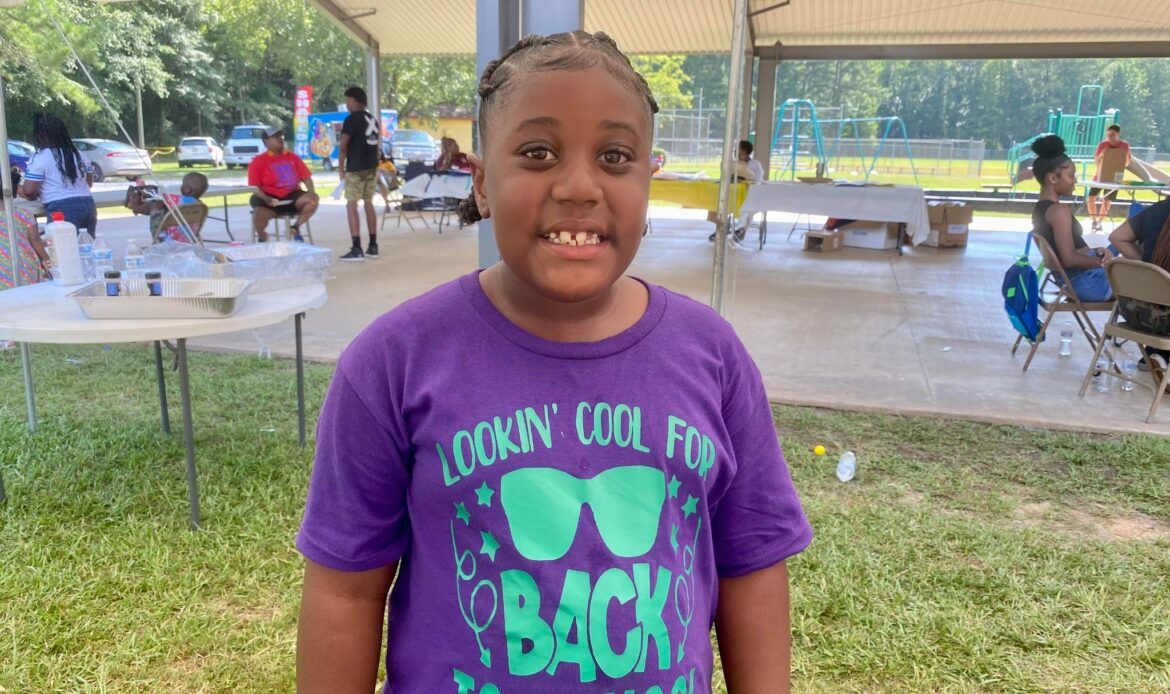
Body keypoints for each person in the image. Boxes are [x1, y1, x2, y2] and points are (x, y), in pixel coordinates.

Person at [295, 31, 812, 694]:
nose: (577, 186)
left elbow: (754, 568)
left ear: (648, 180)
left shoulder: (713, 357)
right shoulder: (392, 363)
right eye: (537, 152)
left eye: (614, 156)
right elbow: (345, 593)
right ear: (483, 183)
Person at [1030, 135, 1112, 302]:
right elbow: (1069, 259)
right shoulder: (1059, 211)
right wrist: (1104, 262)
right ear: (1053, 178)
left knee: (1119, 245)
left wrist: (1096, 252)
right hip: (1087, 283)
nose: (1075, 180)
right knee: (1144, 284)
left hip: (1073, 281)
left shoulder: (1040, 209)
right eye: (1071, 175)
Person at [1109, 199, 1170, 371]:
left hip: (1134, 313)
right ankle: (1162, 358)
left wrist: (1148, 267)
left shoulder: (1160, 208)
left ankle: (1154, 355)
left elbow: (1117, 237)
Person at [17, 113, 97, 235]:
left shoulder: (41, 158)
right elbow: (89, 183)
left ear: (40, 136)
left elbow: (29, 192)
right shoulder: (79, 154)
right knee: (86, 243)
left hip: (61, 207)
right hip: (88, 204)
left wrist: (16, 187)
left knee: (62, 245)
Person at [247, 127, 319, 242]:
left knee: (313, 199)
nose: (280, 138)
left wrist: (311, 192)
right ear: (266, 141)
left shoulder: (293, 157)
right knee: (259, 213)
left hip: (292, 195)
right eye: (275, 137)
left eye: (281, 136)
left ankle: (295, 227)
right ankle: (262, 236)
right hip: (268, 197)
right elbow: (254, 187)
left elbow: (307, 177)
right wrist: (266, 198)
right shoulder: (259, 161)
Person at [338, 86, 381, 261]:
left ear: (355, 101)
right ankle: (373, 245)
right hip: (372, 166)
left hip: (356, 167)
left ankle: (356, 248)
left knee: (351, 205)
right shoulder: (372, 119)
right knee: (368, 203)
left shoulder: (352, 119)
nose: (347, 104)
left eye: (348, 100)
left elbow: (343, 145)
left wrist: (341, 169)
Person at [126, 171, 209, 242]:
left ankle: (136, 207)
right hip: (189, 241)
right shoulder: (200, 206)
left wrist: (144, 191)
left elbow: (159, 197)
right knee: (164, 207)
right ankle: (138, 208)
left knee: (156, 204)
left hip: (167, 242)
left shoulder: (179, 200)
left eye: (183, 184)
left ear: (187, 189)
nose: (181, 186)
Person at [1087, 124, 1131, 232]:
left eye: (1112, 135)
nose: (1110, 137)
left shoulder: (1124, 145)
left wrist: (1124, 155)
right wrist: (1103, 153)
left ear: (1118, 134)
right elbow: (1097, 161)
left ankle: (1100, 222)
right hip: (1099, 177)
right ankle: (1094, 220)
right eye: (1108, 135)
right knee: (1091, 198)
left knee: (1107, 200)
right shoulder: (1103, 144)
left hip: (1114, 178)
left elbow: (1126, 163)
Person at [0, 199, 49, 288]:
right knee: (28, 292)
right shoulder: (23, 213)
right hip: (25, 265)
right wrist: (46, 260)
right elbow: (35, 239)